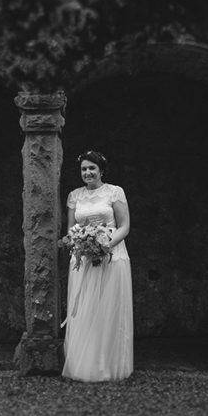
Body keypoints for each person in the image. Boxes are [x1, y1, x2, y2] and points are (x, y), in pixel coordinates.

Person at [62, 150, 133, 381]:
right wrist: (81, 242)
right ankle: (85, 365)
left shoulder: (114, 192)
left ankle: (107, 365)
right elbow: (71, 228)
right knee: (86, 310)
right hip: (83, 258)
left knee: (107, 309)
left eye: (92, 168)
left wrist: (105, 245)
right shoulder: (75, 196)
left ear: (101, 170)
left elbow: (124, 225)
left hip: (112, 256)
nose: (87, 172)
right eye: (83, 169)